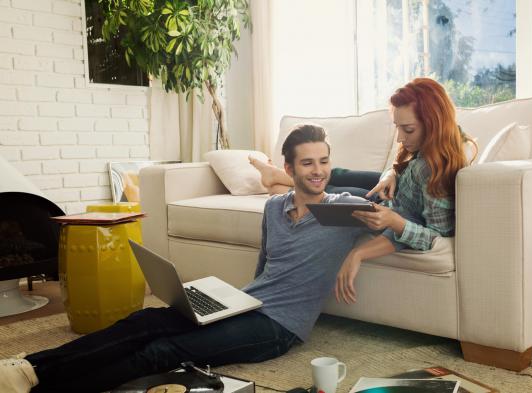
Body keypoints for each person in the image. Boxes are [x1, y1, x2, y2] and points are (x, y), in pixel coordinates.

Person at [0, 125, 368, 393]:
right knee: (143, 321)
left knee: (162, 351)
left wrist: (359, 253)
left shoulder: (339, 212)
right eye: (307, 163)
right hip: (247, 303)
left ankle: (45, 387)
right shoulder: (274, 208)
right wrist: (235, 301)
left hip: (277, 327)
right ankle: (30, 368)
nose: (318, 170)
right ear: (289, 169)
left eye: (323, 161)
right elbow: (265, 265)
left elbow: (405, 229)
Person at [250, 78, 474, 305]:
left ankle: (278, 181)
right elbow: (403, 167)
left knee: (330, 192)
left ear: (434, 123)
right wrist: (391, 175)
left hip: (391, 207)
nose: (400, 137)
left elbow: (439, 237)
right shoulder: (438, 140)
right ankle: (279, 177)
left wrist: (394, 222)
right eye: (397, 127)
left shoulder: (437, 170)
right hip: (390, 190)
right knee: (340, 175)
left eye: (407, 129)